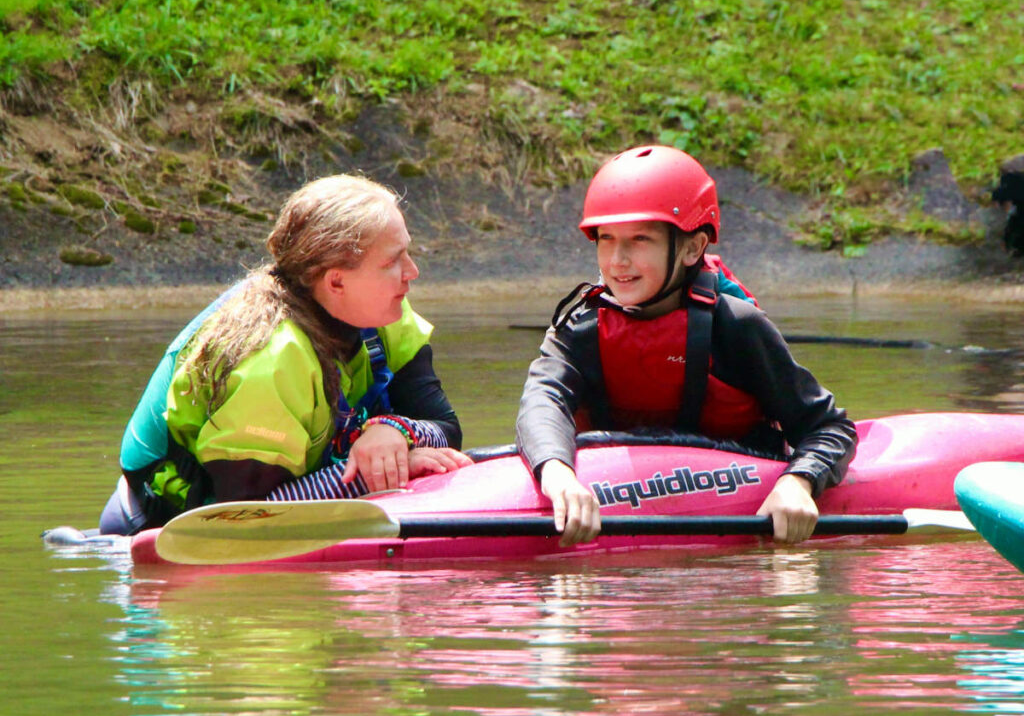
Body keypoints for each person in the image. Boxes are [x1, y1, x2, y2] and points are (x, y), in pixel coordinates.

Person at [515, 144, 858, 547]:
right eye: (606, 239)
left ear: (693, 247)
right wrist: (556, 473)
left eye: (639, 239)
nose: (617, 260)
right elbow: (541, 403)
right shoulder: (580, 329)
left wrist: (798, 483)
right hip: (604, 492)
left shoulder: (735, 326)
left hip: (743, 491)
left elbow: (829, 427)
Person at [100, 173, 472, 535]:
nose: (413, 271)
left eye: (408, 252)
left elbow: (445, 427)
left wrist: (392, 432)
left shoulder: (384, 312)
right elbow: (247, 517)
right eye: (393, 261)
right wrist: (377, 473)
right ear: (336, 281)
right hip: (158, 524)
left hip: (280, 492)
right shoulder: (270, 358)